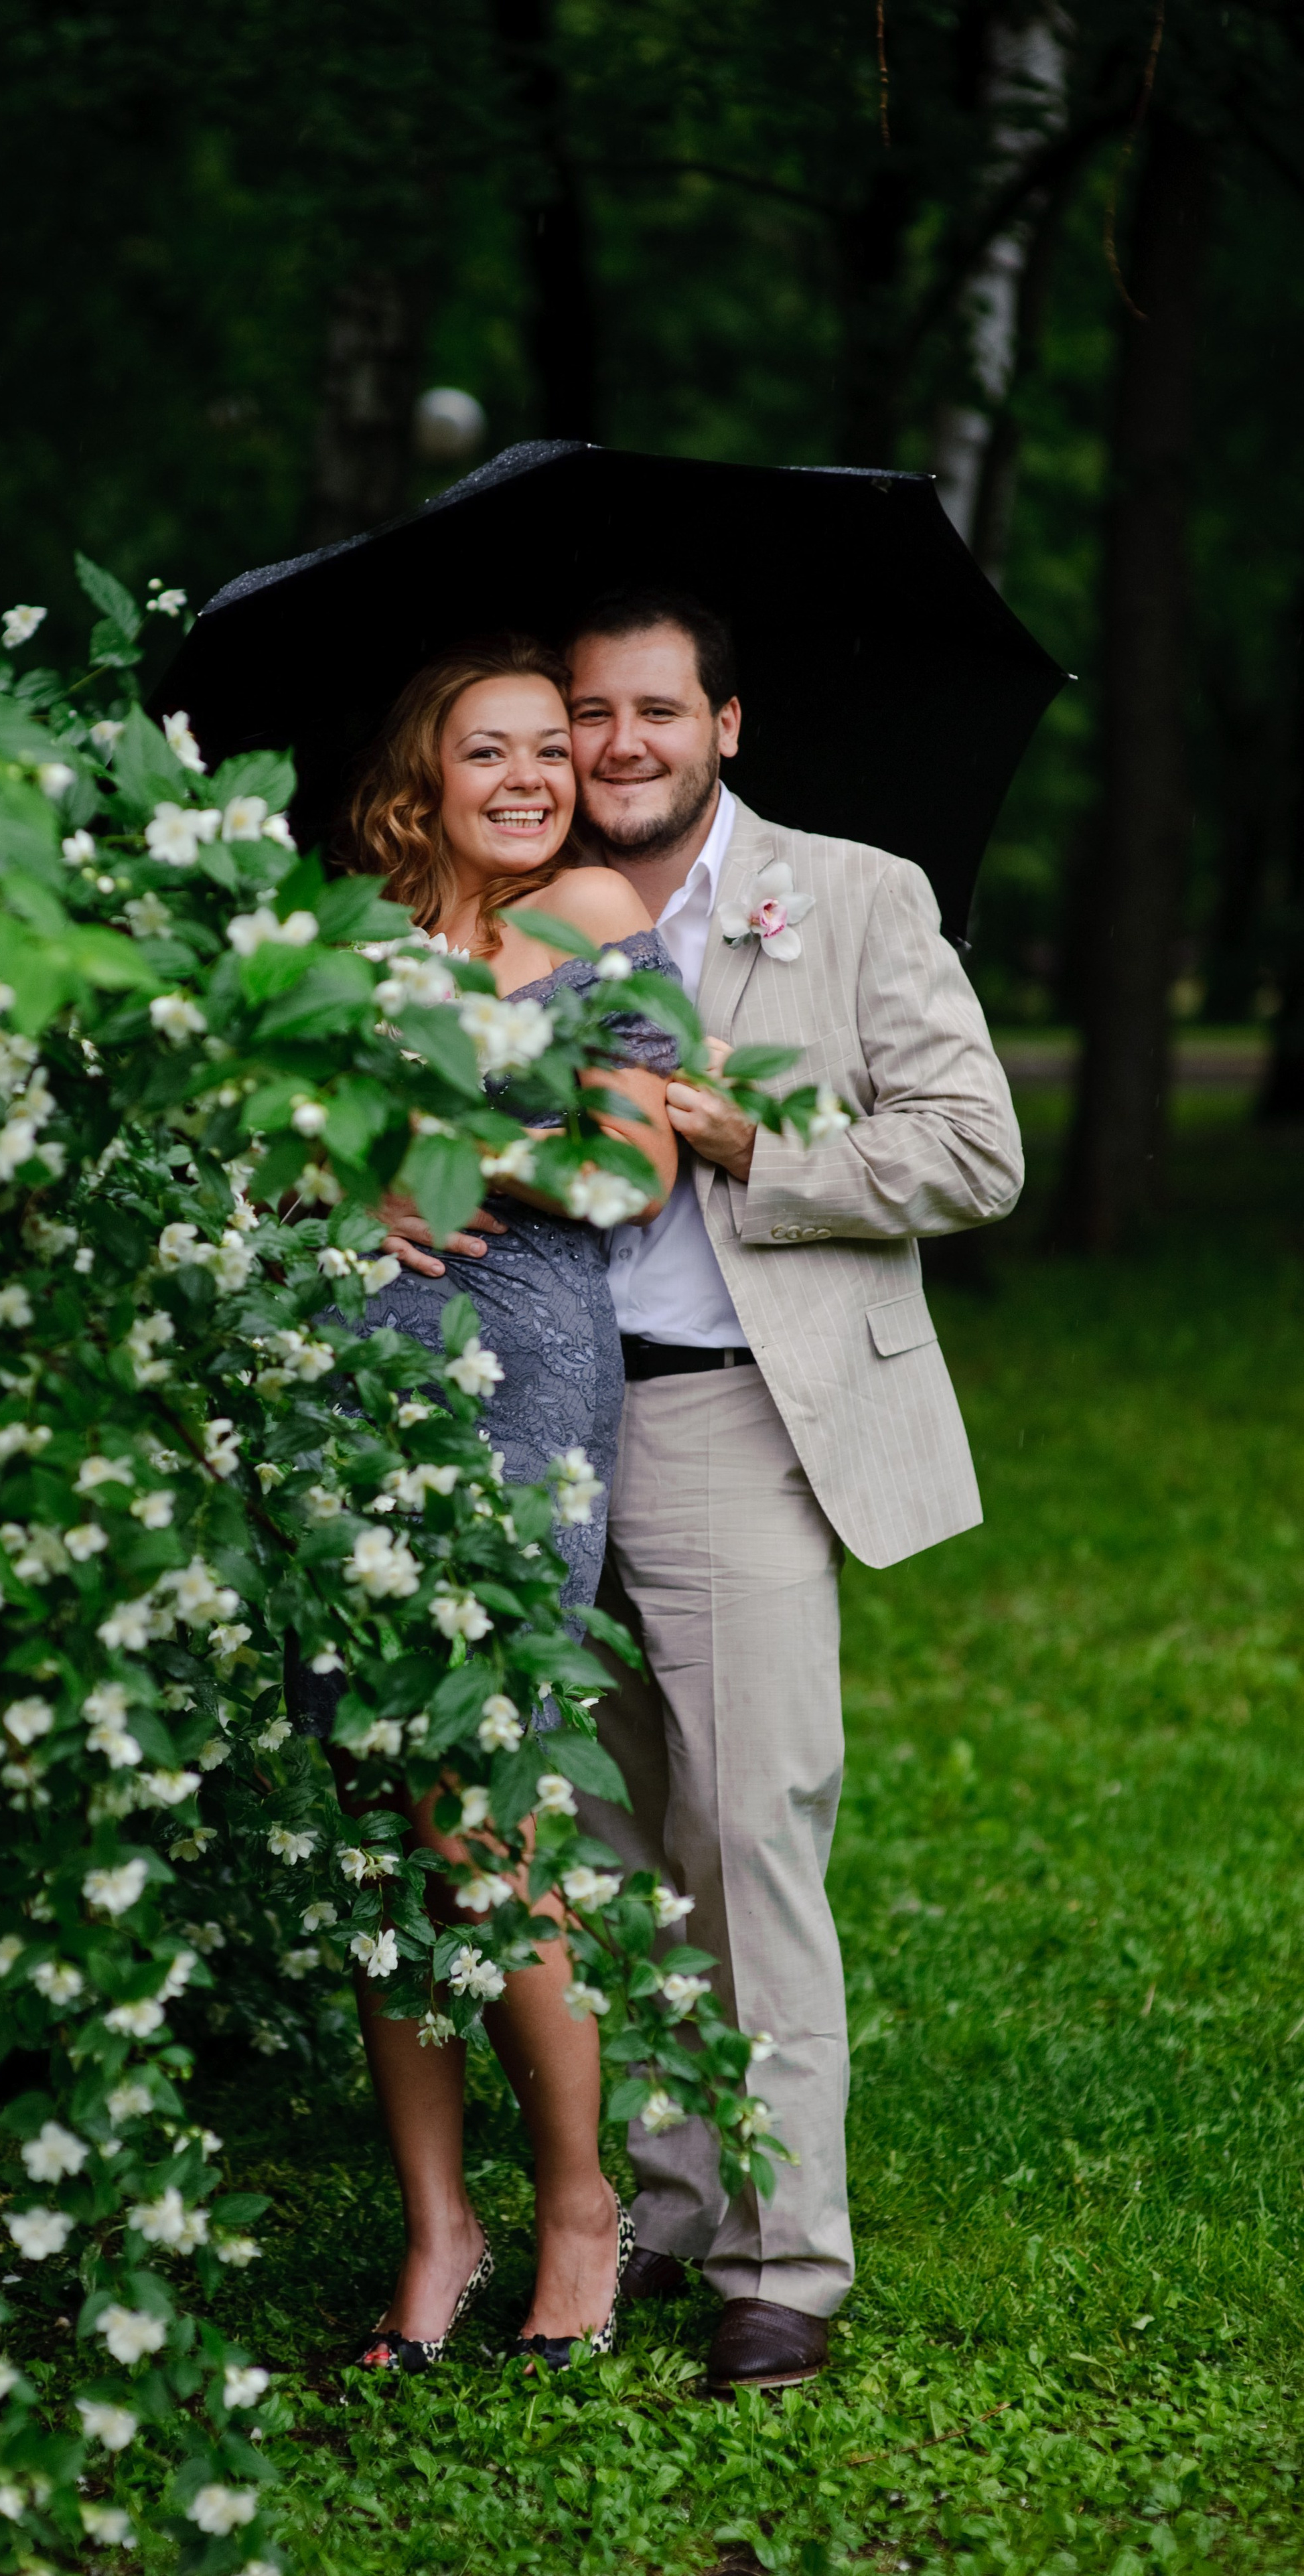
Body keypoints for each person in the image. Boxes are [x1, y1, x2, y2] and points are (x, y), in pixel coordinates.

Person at [559, 588, 1024, 2395]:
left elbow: (974, 1148)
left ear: (725, 727)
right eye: (589, 714)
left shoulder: (849, 896)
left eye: (657, 712)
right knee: (596, 1843)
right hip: (538, 1418)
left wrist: (746, 1138)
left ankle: (782, 2258)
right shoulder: (508, 907)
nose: (619, 748)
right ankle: (658, 2208)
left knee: (746, 1838)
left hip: (732, 1418)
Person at [306, 633, 682, 2372]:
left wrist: (441, 1152)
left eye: (555, 747)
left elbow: (628, 1166)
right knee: (384, 1822)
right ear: (423, 778)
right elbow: (255, 1147)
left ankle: (581, 2205)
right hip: (348, 1381)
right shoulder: (344, 944)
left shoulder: (602, 921)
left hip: (522, 1375)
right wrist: (338, 1189)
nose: (535, 775)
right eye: (493, 751)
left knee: (488, 1810)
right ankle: (438, 2231)